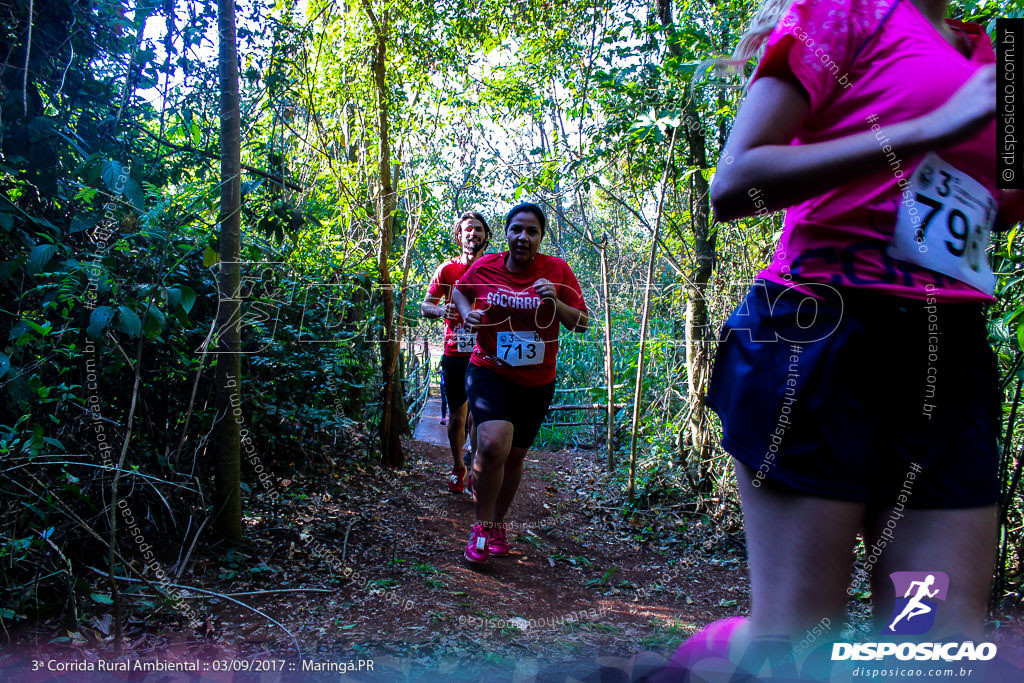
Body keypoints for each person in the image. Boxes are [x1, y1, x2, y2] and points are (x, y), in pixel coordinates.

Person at [661, 0, 1024, 678]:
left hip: (947, 368)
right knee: (797, 646)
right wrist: (928, 128)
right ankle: (711, 658)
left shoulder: (1004, 60)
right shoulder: (849, 9)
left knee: (931, 645)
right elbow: (736, 183)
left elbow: (998, 209)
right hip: (818, 343)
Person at [453, 202, 589, 565]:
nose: (523, 237)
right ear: (507, 233)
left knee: (514, 456)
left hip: (536, 380)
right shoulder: (486, 266)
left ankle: (497, 523)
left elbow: (582, 323)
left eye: (531, 231)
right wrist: (468, 316)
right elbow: (459, 291)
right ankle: (481, 528)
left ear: (541, 237)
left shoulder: (557, 271)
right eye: (516, 229)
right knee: (494, 444)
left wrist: (555, 303)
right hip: (490, 369)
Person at [421, 211, 490, 494]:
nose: (471, 234)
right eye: (466, 230)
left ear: (486, 235)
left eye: (477, 229)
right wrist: (441, 310)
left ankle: (474, 464)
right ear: (459, 236)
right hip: (455, 351)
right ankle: (457, 466)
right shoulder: (447, 269)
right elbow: (426, 305)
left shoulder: (496, 267)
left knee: (479, 417)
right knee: (458, 419)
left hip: (487, 353)